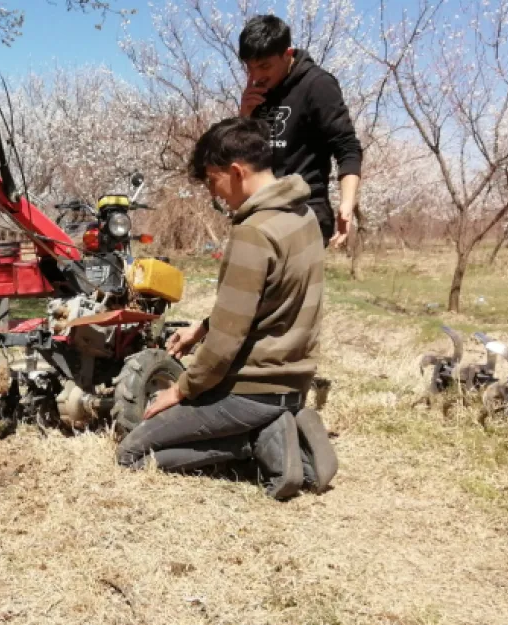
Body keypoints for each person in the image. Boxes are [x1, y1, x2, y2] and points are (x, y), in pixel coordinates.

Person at [116, 117, 338, 499]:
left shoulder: (254, 230)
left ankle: (252, 443)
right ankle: (284, 429)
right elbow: (269, 299)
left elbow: (226, 342)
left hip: (250, 391)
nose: (212, 194)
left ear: (235, 172)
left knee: (132, 453)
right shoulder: (303, 217)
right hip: (293, 382)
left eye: (211, 181)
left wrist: (181, 390)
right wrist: (202, 327)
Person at [238, 14, 362, 248]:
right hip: (262, 210)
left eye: (264, 66)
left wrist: (347, 203)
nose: (256, 76)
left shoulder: (317, 85)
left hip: (304, 212)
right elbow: (244, 153)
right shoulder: (257, 92)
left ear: (287, 54)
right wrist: (244, 114)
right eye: (250, 68)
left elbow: (347, 146)